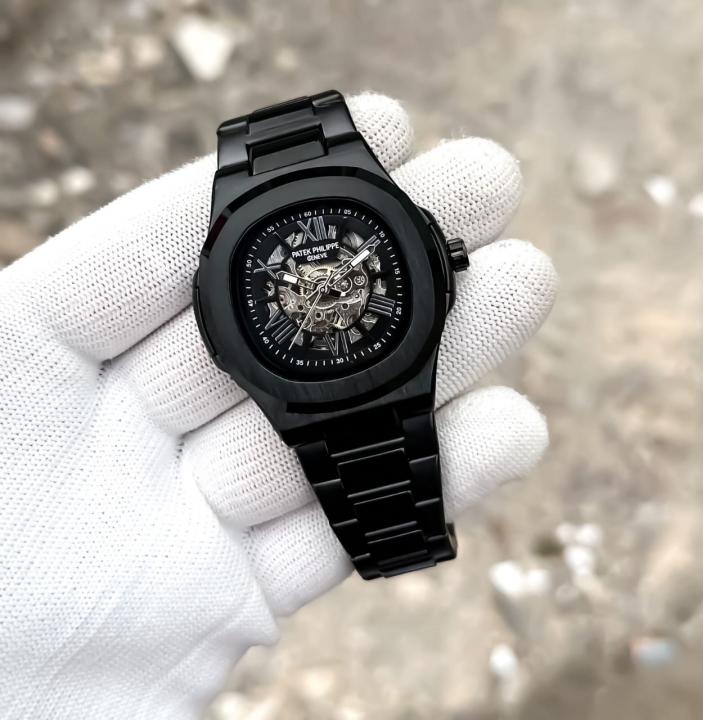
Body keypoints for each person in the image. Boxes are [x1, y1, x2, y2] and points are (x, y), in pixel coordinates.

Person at [0, 93, 557, 719]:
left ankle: (403, 537)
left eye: (338, 281)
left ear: (439, 261)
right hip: (334, 384)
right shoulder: (330, 261)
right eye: (311, 287)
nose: (326, 291)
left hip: (358, 374)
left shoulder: (296, 261)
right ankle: (399, 539)